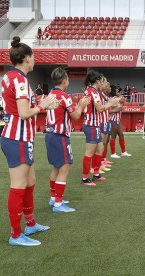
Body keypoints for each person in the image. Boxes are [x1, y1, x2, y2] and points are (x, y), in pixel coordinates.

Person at [1, 36, 60, 246]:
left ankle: (30, 224)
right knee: (18, 185)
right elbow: (24, 113)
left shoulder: (10, 76)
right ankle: (16, 235)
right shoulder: (20, 80)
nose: (34, 60)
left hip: (18, 137)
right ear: (26, 59)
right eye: (33, 57)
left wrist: (39, 103)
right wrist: (43, 105)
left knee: (30, 181)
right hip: (17, 138)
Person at [45, 67, 90, 213]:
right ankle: (58, 203)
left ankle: (54, 198)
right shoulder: (64, 96)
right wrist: (82, 105)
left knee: (56, 167)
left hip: (50, 135)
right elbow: (75, 116)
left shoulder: (50, 94)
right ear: (64, 80)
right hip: (60, 136)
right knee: (64, 167)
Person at [81, 70, 120, 186]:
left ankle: (96, 174)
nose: (102, 83)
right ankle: (85, 178)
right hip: (91, 125)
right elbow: (99, 109)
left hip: (94, 124)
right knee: (89, 152)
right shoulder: (93, 92)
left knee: (99, 149)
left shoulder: (90, 91)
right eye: (101, 80)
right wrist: (111, 103)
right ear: (97, 81)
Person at [109, 87, 131, 158]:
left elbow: (123, 101)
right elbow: (111, 109)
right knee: (113, 136)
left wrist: (120, 105)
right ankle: (113, 153)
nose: (119, 93)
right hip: (113, 120)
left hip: (117, 120)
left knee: (121, 135)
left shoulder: (118, 98)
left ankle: (123, 152)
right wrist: (120, 108)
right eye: (117, 92)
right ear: (114, 93)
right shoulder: (112, 99)